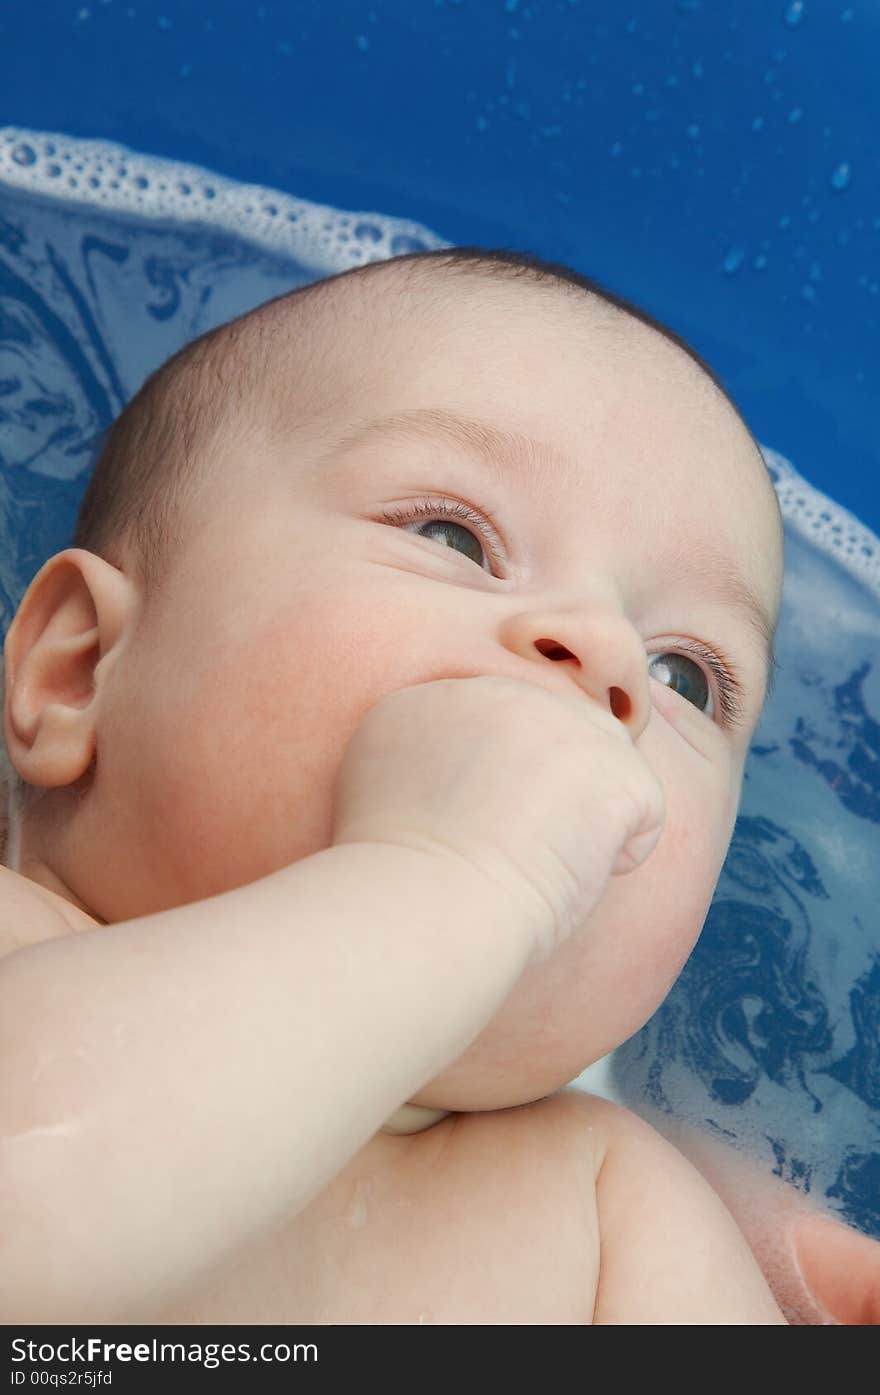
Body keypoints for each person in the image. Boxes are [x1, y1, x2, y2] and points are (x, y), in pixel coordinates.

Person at [0, 245, 796, 1323]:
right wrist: (446, 875)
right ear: (80, 671)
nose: (609, 655)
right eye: (451, 536)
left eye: (685, 677)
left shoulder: (614, 1216)